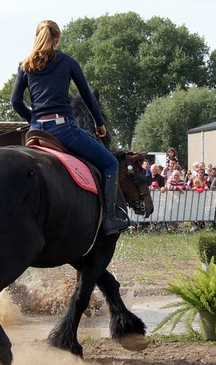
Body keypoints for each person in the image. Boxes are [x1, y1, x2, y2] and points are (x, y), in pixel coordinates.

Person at [11, 20, 130, 236]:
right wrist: (99, 123)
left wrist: (33, 120)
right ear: (57, 39)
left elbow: (16, 102)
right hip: (62, 129)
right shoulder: (67, 62)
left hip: (36, 131)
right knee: (110, 163)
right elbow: (87, 96)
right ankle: (110, 219)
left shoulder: (25, 65)